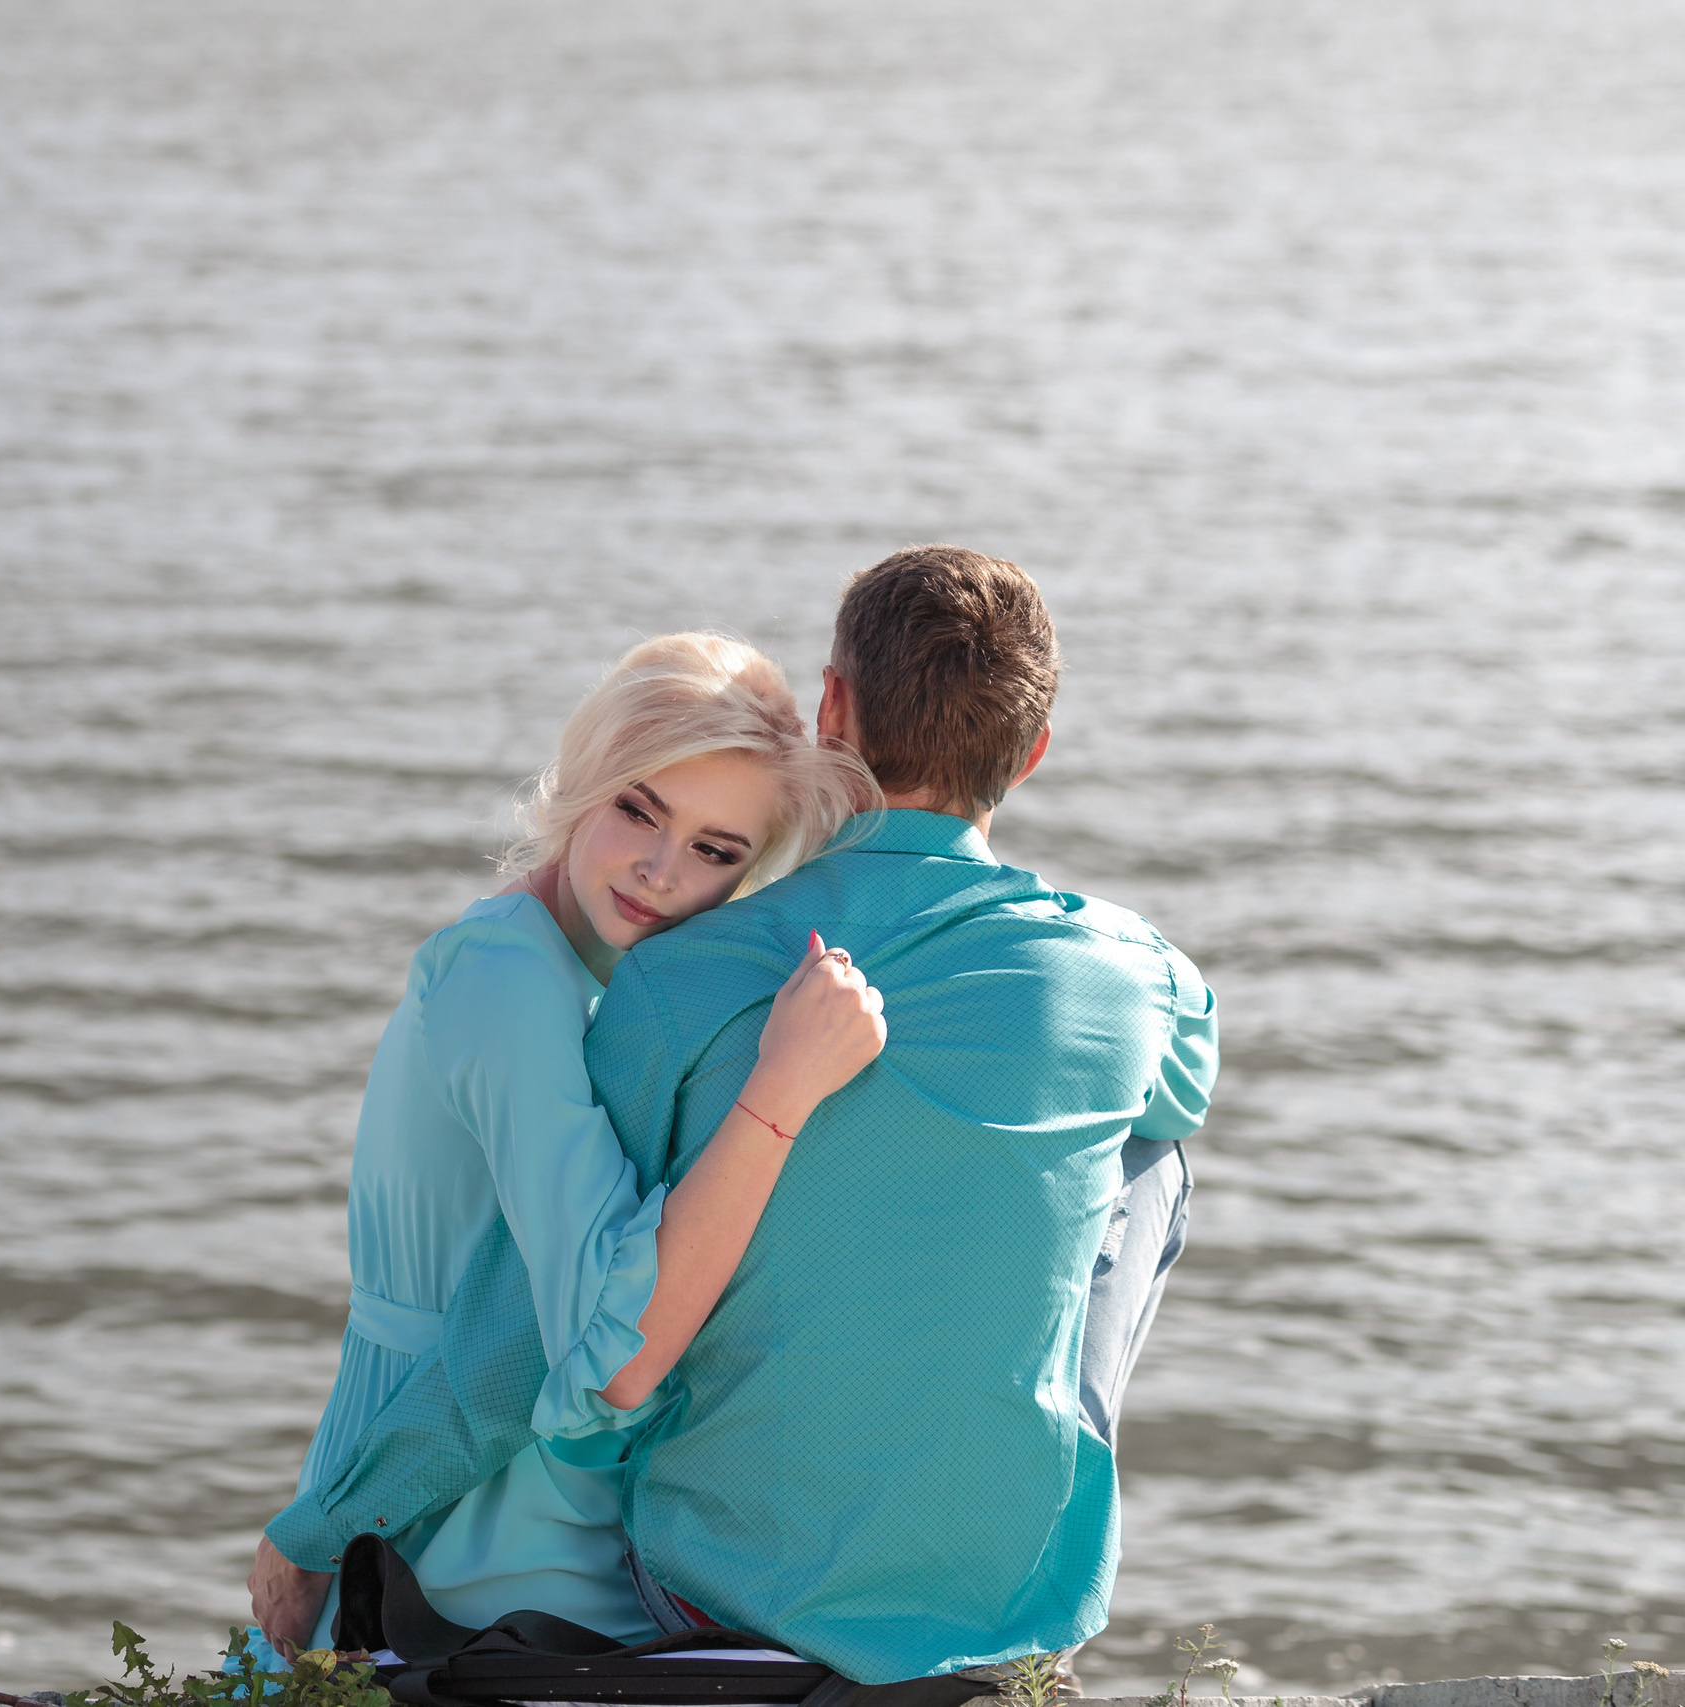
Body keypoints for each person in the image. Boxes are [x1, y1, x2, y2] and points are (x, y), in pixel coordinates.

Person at [257, 547, 1218, 1688]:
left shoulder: (677, 980)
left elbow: (521, 1343)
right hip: (1014, 1590)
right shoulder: (1135, 969)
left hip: (718, 1589)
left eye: (710, 848)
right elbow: (1183, 1085)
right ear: (1035, 754)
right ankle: (1046, 1465)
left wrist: (321, 1527)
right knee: (1148, 1155)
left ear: (833, 709)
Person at [245, 632, 887, 1654]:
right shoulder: (509, 980)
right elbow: (594, 1340)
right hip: (463, 1536)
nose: (658, 869)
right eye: (640, 807)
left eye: (715, 851)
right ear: (587, 777)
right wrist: (781, 1089)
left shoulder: (591, 984)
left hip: (466, 1488)